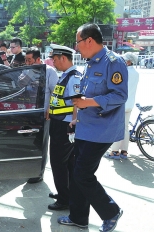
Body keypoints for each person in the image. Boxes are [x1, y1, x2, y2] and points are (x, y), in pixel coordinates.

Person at [57, 23, 127, 232]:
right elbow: (84, 95)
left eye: (77, 42)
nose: (76, 48)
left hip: (102, 130)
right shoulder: (90, 63)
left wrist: (88, 102)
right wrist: (76, 115)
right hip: (84, 127)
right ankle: (78, 217)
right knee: (77, 173)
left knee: (82, 174)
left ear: (89, 40)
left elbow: (119, 95)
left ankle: (111, 212)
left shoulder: (113, 62)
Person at [47, 44, 81, 210]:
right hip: (58, 122)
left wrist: (73, 125)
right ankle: (65, 193)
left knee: (59, 162)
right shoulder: (65, 76)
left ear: (63, 58)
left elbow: (77, 103)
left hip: (65, 125)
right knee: (66, 162)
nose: (53, 62)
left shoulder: (74, 77)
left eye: (55, 59)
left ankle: (64, 200)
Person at [24, 47, 59, 184]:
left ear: (38, 59)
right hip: (28, 112)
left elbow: (55, 92)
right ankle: (29, 169)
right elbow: (20, 84)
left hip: (43, 114)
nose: (27, 63)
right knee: (30, 142)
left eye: (30, 60)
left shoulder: (49, 72)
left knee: (42, 144)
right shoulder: (27, 71)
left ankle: (38, 173)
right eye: (26, 60)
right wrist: (28, 73)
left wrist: (49, 109)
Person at [104, 52, 139, 159]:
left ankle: (114, 151)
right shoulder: (136, 73)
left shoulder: (123, 72)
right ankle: (124, 151)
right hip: (130, 103)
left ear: (128, 61)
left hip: (121, 103)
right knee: (125, 127)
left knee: (117, 127)